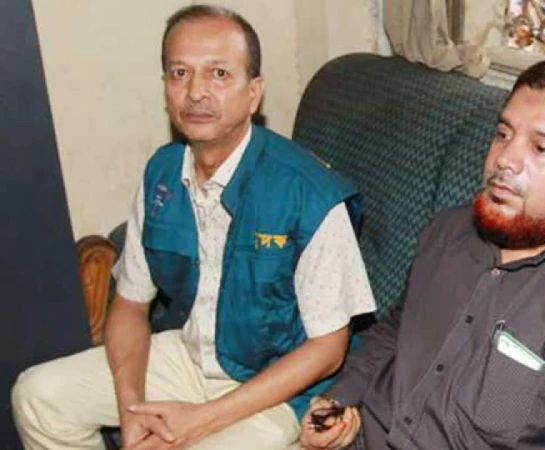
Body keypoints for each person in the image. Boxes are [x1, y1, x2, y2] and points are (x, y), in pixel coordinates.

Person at [12, 5, 375, 449]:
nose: (196, 91)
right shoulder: (162, 174)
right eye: (180, 73)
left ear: (254, 93)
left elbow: (329, 349)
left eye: (219, 74)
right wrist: (132, 411)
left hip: (279, 388)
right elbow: (130, 305)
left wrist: (199, 423)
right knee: (38, 397)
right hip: (191, 356)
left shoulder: (309, 193)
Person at [298, 60, 545, 449]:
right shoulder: (449, 230)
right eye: (503, 134)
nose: (504, 159)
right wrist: (337, 403)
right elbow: (397, 330)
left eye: (541, 148)